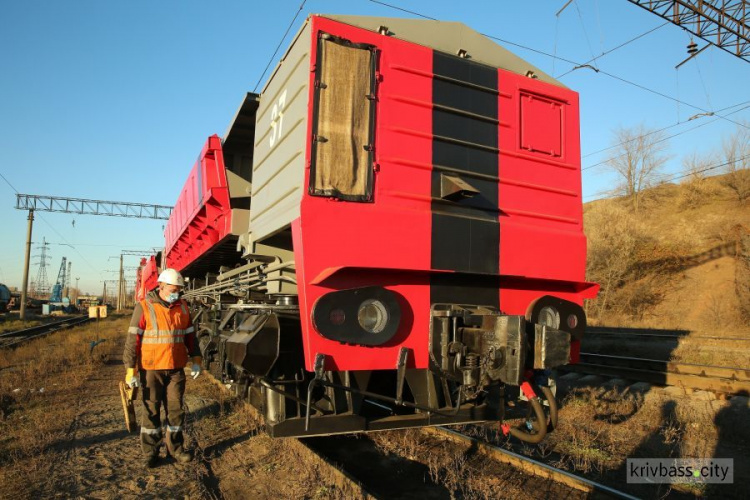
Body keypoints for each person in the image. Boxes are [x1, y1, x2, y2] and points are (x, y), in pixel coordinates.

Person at [123, 268, 202, 468]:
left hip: (175, 368)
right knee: (151, 410)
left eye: (179, 290)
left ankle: (175, 450)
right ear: (161, 286)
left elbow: (190, 336)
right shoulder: (144, 307)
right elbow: (133, 339)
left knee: (176, 411)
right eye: (173, 289)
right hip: (151, 368)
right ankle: (150, 452)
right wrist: (130, 369)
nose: (176, 293)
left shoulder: (183, 307)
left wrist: (196, 359)